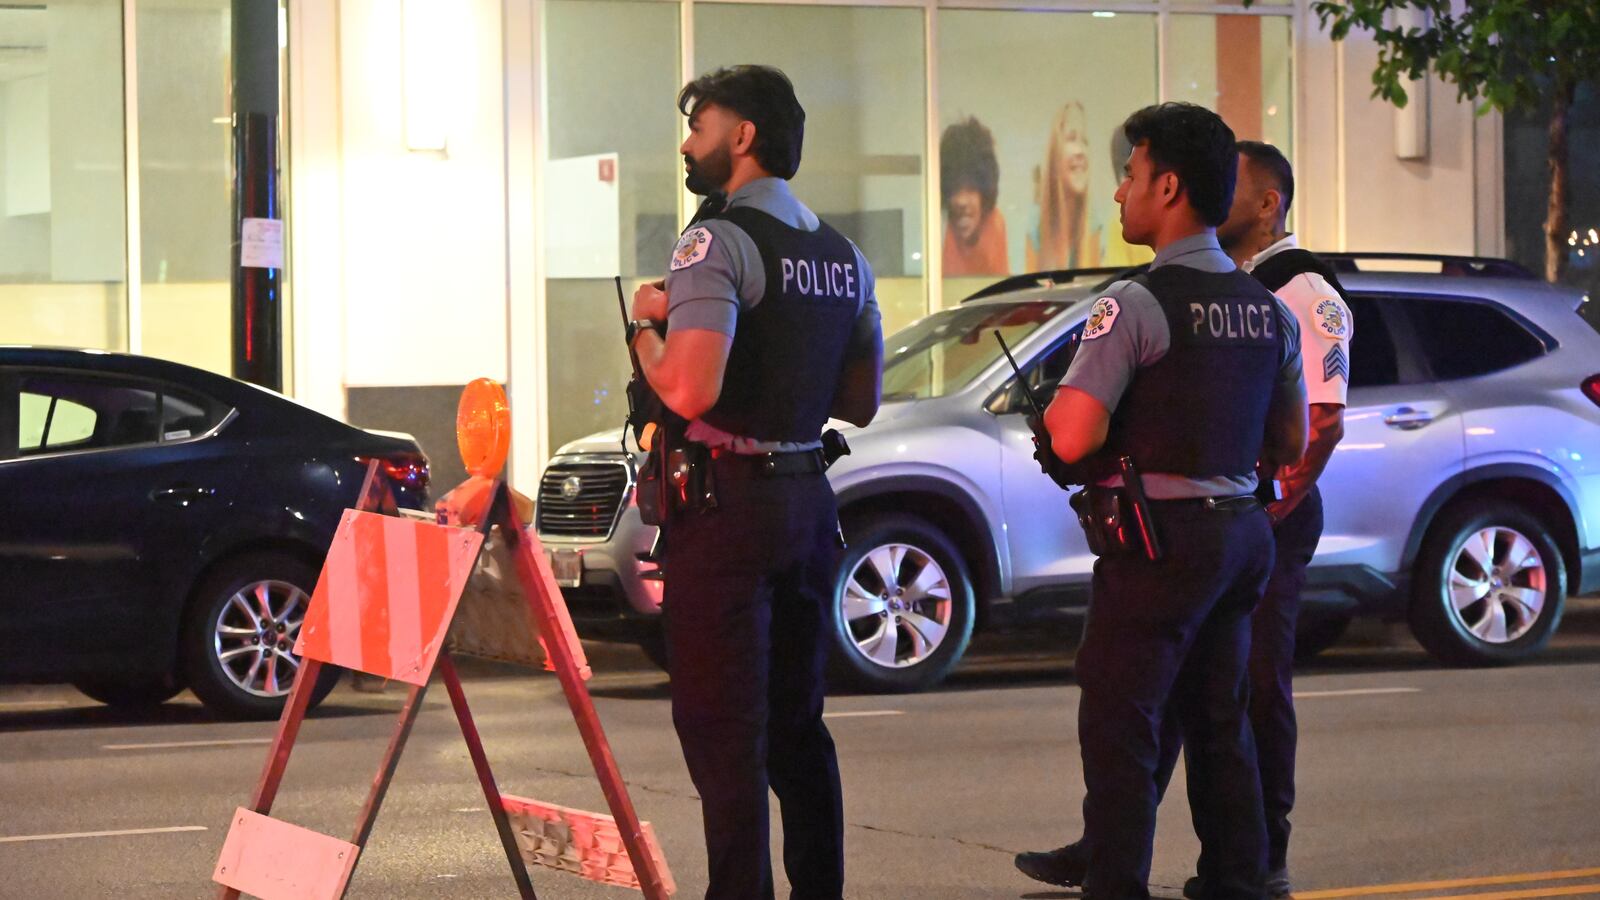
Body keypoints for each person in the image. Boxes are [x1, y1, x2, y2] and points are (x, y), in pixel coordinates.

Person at [1010, 139, 1351, 900]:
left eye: (1129, 177)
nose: (1119, 193)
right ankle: (1239, 880)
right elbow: (1289, 440)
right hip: (1241, 534)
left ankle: (1116, 882)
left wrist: (1070, 430)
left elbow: (1073, 437)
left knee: (1123, 722)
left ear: (1167, 188)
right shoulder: (1267, 309)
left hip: (1158, 543)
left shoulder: (1135, 303)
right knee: (1221, 718)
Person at [628, 64, 883, 900]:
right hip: (808, 501)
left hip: (728, 509)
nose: (686, 144)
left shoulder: (716, 243)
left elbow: (689, 389)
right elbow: (862, 401)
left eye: (698, 127)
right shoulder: (845, 257)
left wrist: (645, 327)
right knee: (797, 727)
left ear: (742, 137)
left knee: (722, 727)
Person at [1026, 101, 1102, 271]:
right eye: (1071, 139)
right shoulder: (1036, 222)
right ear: (1055, 152)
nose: (1081, 151)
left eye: (1085, 141)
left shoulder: (1094, 220)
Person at [941, 117, 1010, 276]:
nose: (961, 201)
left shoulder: (994, 224)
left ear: (984, 195)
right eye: (955, 189)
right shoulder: (949, 229)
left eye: (971, 189)